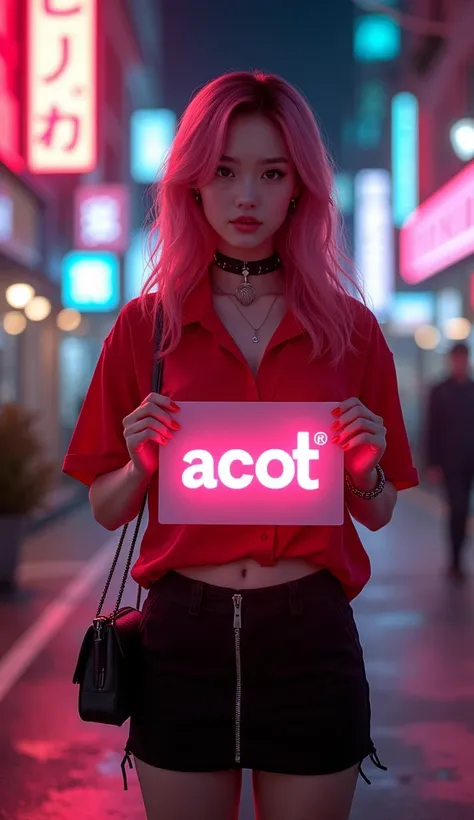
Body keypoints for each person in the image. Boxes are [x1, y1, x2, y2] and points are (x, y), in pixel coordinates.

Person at [63, 71, 419, 820]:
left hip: (310, 635)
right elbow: (105, 506)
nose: (246, 196)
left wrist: (365, 466)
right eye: (223, 172)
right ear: (192, 184)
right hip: (179, 640)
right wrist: (139, 462)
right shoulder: (144, 326)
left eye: (271, 172)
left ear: (302, 187)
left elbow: (381, 510)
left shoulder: (352, 329)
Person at [425, 342, 474, 582]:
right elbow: (431, 429)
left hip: (471, 460)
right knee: (458, 510)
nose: (459, 363)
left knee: (462, 511)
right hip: (451, 463)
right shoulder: (439, 391)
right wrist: (432, 463)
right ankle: (455, 562)